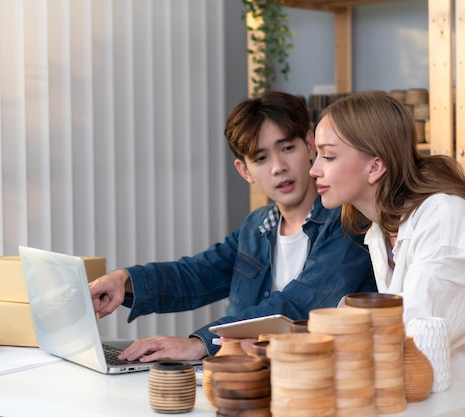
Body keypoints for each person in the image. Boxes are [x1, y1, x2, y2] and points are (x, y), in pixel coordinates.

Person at [89, 91, 376, 362]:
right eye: (261, 158)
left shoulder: (349, 219)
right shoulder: (257, 226)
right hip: (250, 378)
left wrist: (201, 343)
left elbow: (299, 304)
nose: (278, 167)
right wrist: (123, 279)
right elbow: (197, 274)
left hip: (318, 384)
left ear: (310, 145)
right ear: (244, 171)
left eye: (287, 148)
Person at [309, 90, 465, 416]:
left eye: (328, 156)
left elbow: (407, 341)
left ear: (375, 167)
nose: (314, 170)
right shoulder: (382, 230)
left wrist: (343, 320)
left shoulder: (446, 221)